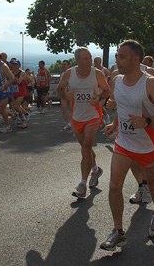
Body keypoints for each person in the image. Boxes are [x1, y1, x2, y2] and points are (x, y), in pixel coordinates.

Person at [101, 40, 154, 251]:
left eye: (122, 57)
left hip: (148, 144)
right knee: (114, 185)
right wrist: (114, 122)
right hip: (124, 142)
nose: (117, 60)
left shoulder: (149, 82)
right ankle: (118, 232)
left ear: (135, 59)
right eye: (116, 56)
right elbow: (120, 105)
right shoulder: (116, 79)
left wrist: (148, 121)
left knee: (153, 185)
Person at [56, 47, 110, 199]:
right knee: (85, 149)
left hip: (93, 115)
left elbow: (107, 90)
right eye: (85, 58)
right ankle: (95, 169)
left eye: (90, 57)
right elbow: (59, 90)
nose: (89, 61)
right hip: (77, 116)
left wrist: (99, 98)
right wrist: (65, 94)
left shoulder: (97, 74)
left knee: (86, 147)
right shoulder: (70, 73)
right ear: (77, 60)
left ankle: (82, 184)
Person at [0, 51, 15, 133]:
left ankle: (8, 126)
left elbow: (12, 78)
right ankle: (12, 114)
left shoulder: (4, 66)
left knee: (2, 108)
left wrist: (5, 87)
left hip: (6, 90)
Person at [58, 60, 73, 130]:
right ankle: (68, 123)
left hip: (71, 93)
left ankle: (76, 122)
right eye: (62, 64)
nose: (63, 66)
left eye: (65, 64)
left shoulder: (72, 73)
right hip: (64, 94)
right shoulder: (62, 74)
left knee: (72, 109)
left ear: (68, 66)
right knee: (64, 108)